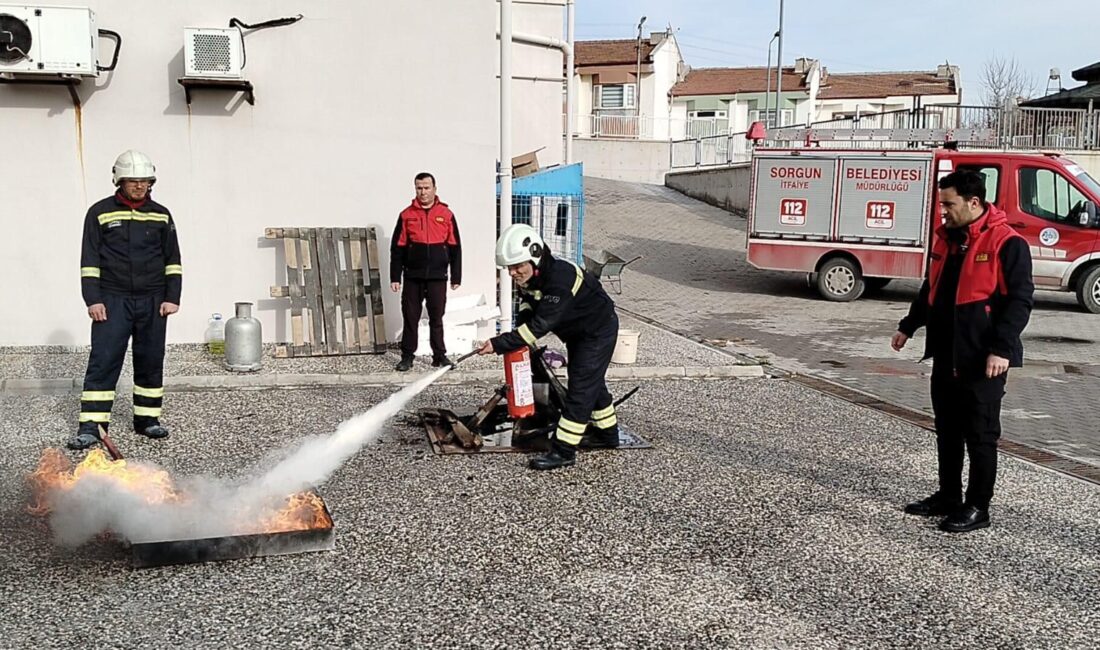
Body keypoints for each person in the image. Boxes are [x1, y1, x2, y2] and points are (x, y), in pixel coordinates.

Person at [892, 170, 1033, 533]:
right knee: (948, 430)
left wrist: (1001, 349)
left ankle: (977, 507)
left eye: (949, 204)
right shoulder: (947, 240)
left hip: (983, 359)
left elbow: (1020, 301)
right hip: (946, 354)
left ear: (974, 202)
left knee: (981, 435)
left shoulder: (1007, 242)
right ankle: (948, 496)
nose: (943, 212)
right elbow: (931, 289)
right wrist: (909, 325)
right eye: (941, 204)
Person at [477, 224, 620, 471]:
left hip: (597, 331)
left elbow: (539, 326)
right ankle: (608, 435)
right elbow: (527, 306)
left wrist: (499, 343)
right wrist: (520, 334)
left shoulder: (561, 280)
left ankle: (563, 450)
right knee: (590, 381)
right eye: (509, 268)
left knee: (581, 389)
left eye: (517, 266)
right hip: (578, 334)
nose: (512, 273)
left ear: (535, 255)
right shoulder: (532, 275)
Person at [68, 150, 183, 450]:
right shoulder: (99, 212)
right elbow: (89, 260)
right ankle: (92, 427)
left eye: (144, 181)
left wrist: (172, 296)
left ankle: (148, 420)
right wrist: (93, 299)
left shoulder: (161, 214)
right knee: (104, 360)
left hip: (153, 300)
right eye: (133, 181)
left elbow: (173, 259)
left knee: (150, 359)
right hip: (112, 299)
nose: (139, 186)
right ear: (119, 180)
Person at [390, 172, 461, 371]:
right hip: (413, 276)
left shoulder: (446, 215)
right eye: (419, 188)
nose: (423, 192)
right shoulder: (406, 215)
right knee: (410, 317)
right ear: (415, 189)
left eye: (426, 188)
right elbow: (398, 248)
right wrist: (395, 276)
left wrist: (456, 276)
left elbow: (455, 247)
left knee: (437, 318)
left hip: (438, 277)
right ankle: (407, 357)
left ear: (434, 189)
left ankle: (439, 356)